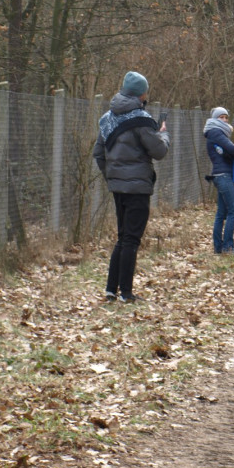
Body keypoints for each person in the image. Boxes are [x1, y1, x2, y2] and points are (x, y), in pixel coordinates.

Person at [92, 71, 170, 303]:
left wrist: (112, 176)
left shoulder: (107, 118)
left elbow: (99, 152)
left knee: (122, 237)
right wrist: (163, 135)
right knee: (131, 240)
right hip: (138, 187)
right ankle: (126, 293)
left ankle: (110, 290)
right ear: (141, 94)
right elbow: (159, 151)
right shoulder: (142, 119)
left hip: (117, 187)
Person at [203, 107, 234, 255]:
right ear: (215, 119)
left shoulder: (215, 133)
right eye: (221, 117)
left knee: (221, 213)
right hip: (223, 175)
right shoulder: (216, 132)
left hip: (219, 175)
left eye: (226, 117)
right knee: (233, 211)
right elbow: (232, 149)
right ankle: (228, 247)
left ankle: (218, 248)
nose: (225, 120)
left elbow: (228, 149)